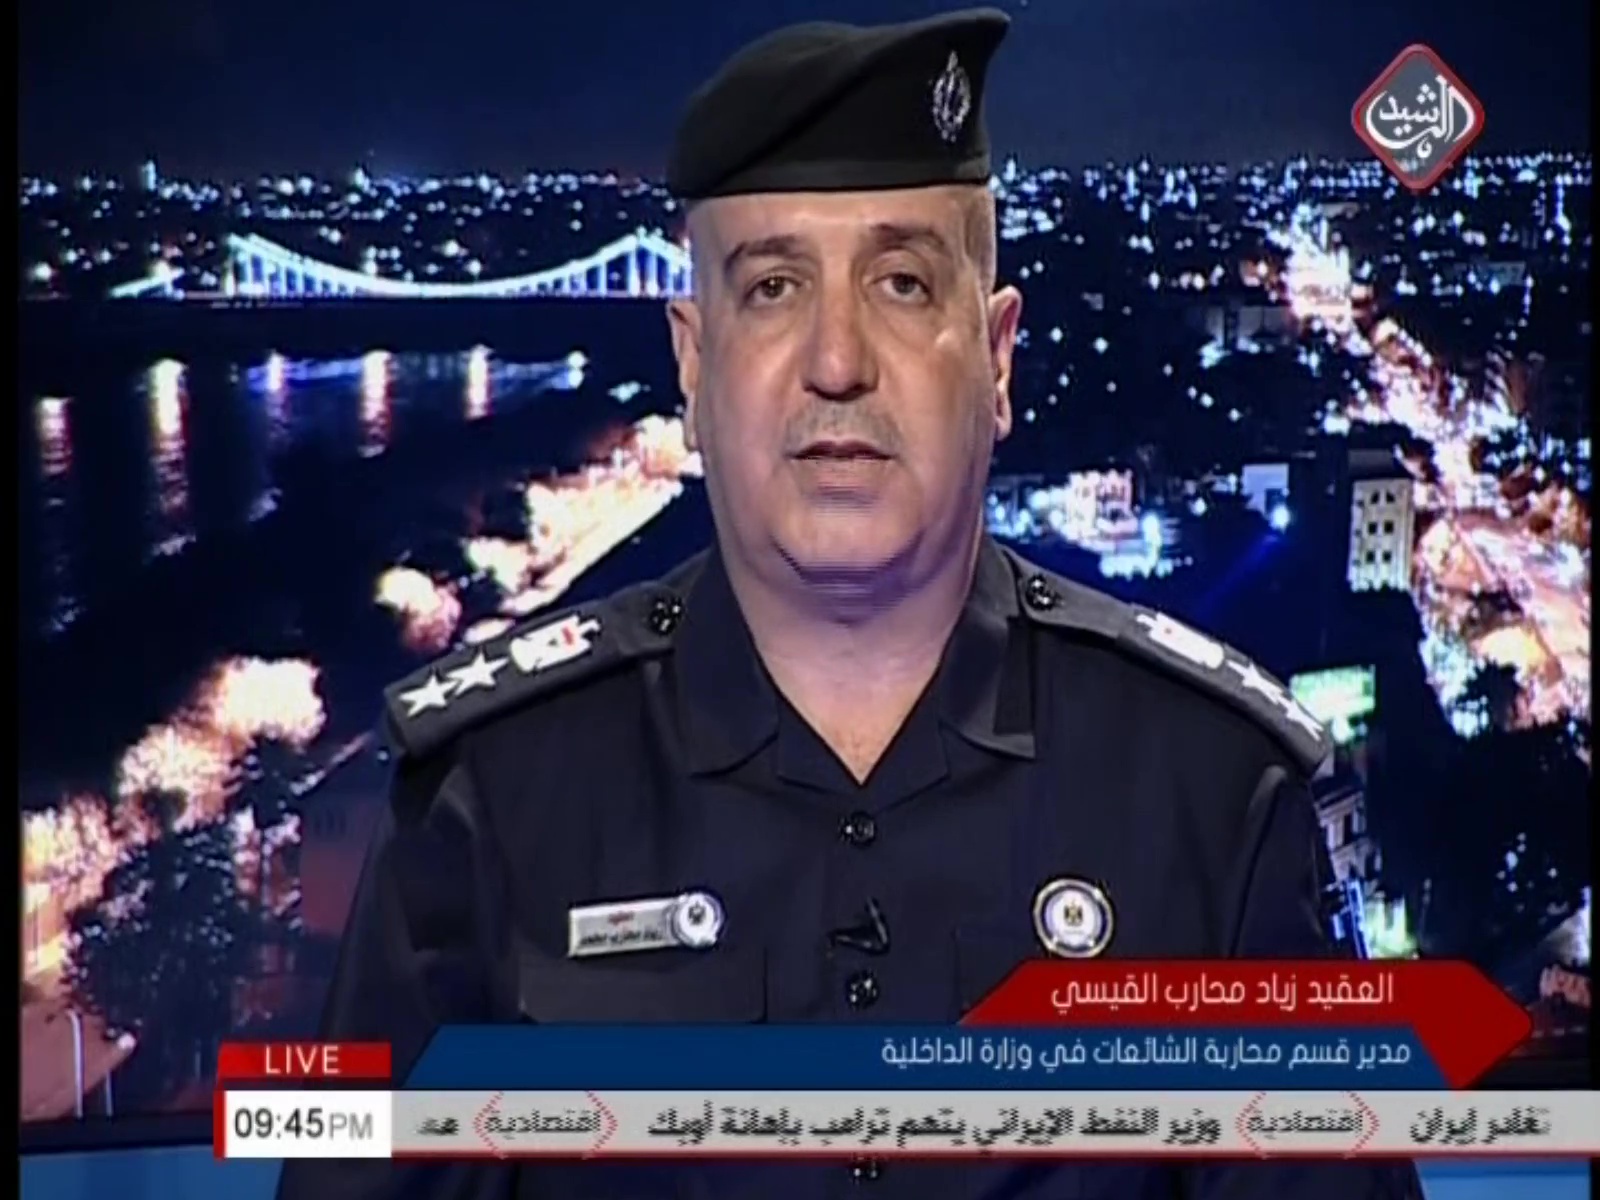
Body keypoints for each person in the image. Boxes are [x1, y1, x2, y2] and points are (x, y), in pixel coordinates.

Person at [278, 8, 1424, 1199]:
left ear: (997, 360)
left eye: (901, 282)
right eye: (773, 287)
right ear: (692, 362)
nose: (836, 361)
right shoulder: (484, 803)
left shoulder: (1216, 797)